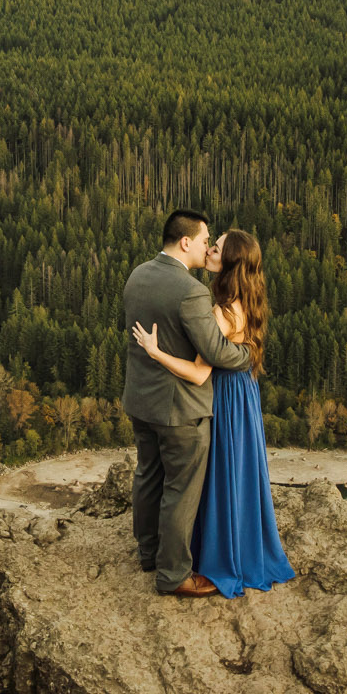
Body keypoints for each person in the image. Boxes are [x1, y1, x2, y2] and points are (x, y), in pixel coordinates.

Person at [131, 229, 295, 599]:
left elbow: (199, 372)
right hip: (244, 396)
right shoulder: (244, 299)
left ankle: (213, 554)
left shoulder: (222, 311)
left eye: (216, 248)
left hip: (222, 397)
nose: (209, 250)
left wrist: (156, 353)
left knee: (217, 474)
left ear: (229, 262)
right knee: (235, 472)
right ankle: (234, 543)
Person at [120, 210, 256, 597]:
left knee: (148, 475)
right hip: (180, 409)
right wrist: (247, 355)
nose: (207, 247)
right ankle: (174, 574)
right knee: (180, 490)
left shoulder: (138, 275)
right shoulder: (191, 290)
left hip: (141, 400)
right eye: (203, 240)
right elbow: (215, 350)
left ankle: (148, 554)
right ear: (185, 242)